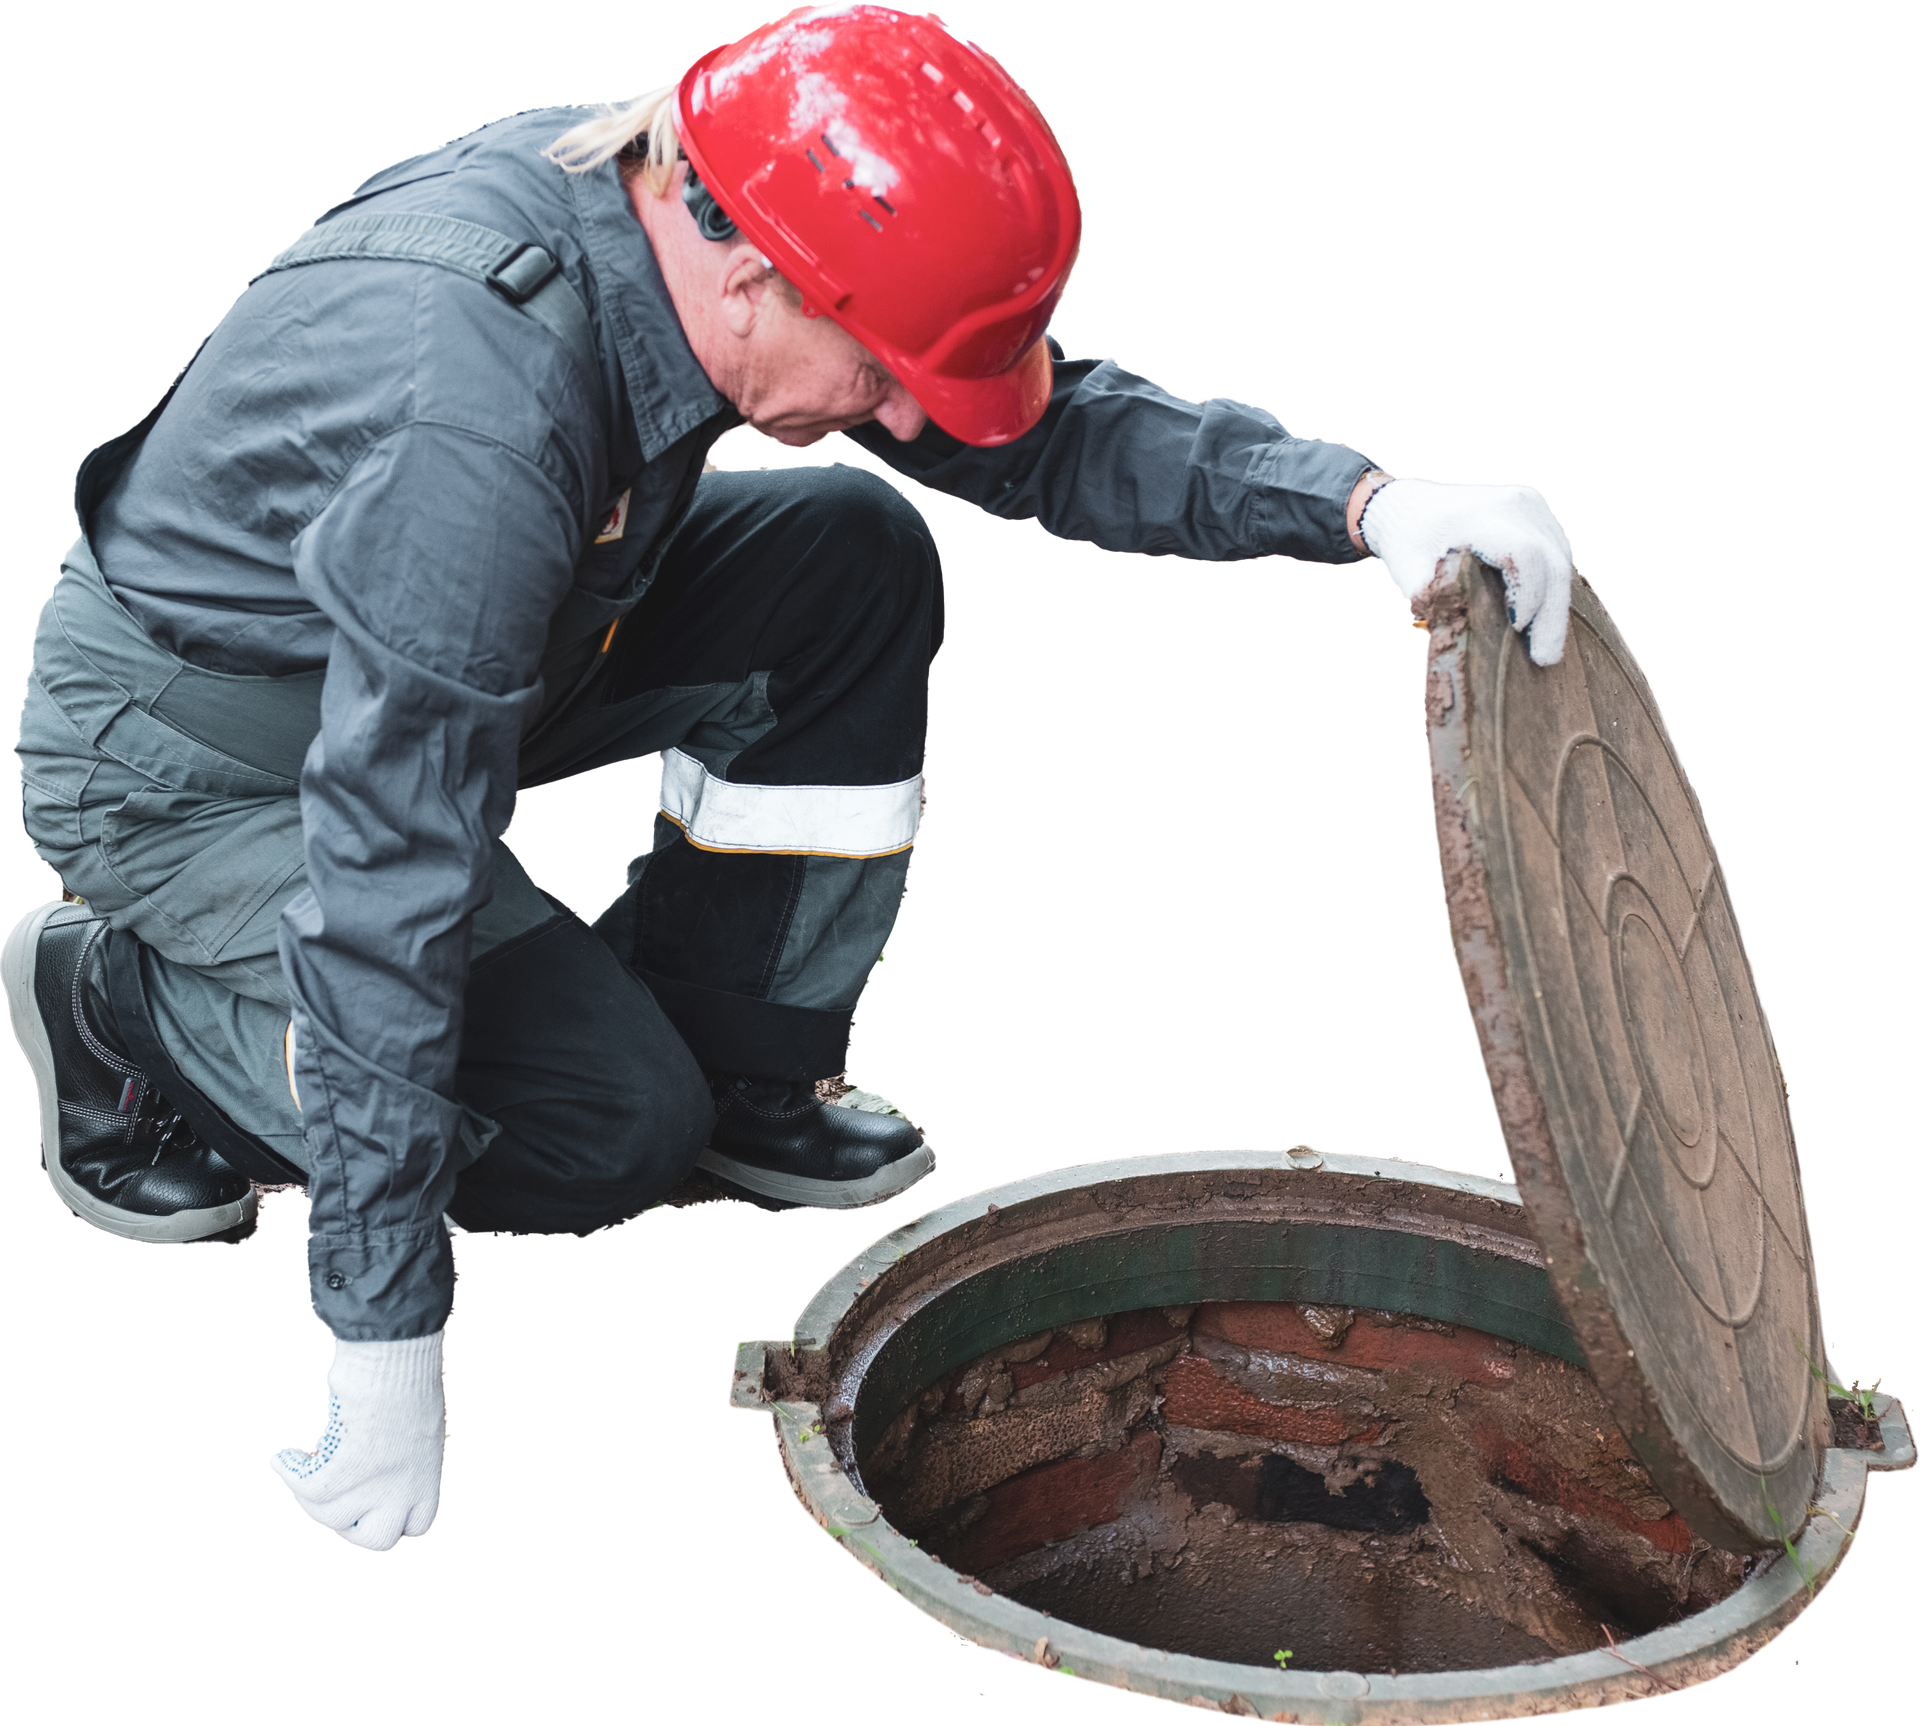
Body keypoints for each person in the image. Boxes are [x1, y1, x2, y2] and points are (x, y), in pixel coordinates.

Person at [2, 2, 1574, 1554]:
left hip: (493, 625)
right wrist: (383, 1331)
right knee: (599, 1130)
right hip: (201, 751)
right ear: (751, 274)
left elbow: (1034, 433)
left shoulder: (715, 203)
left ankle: (736, 1059)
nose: (902, 416)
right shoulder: (475, 412)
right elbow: (392, 862)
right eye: (884, 374)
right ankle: (116, 1008)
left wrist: (1368, 506)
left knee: (853, 553)